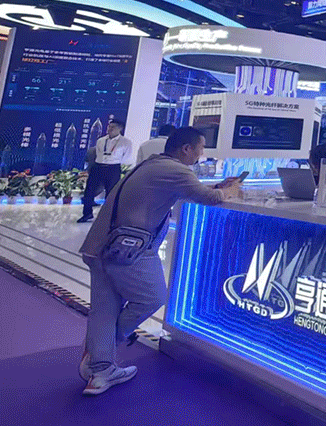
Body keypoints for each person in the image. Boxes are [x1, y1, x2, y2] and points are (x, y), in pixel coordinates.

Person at [78, 127, 242, 395]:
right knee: (152, 297)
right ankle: (106, 347)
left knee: (104, 310)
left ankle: (100, 368)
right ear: (186, 149)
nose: (202, 154)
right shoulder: (175, 170)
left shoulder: (155, 164)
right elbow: (210, 199)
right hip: (127, 250)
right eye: (200, 148)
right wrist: (229, 191)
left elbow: (187, 191)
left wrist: (216, 187)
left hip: (100, 246)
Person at [78, 119, 133, 223]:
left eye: (113, 127)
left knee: (111, 193)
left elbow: (126, 157)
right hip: (98, 166)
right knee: (89, 191)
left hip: (113, 168)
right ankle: (87, 213)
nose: (110, 129)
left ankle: (108, 217)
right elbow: (98, 154)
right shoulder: (101, 140)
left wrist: (114, 162)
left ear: (120, 129)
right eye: (109, 127)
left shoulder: (125, 142)